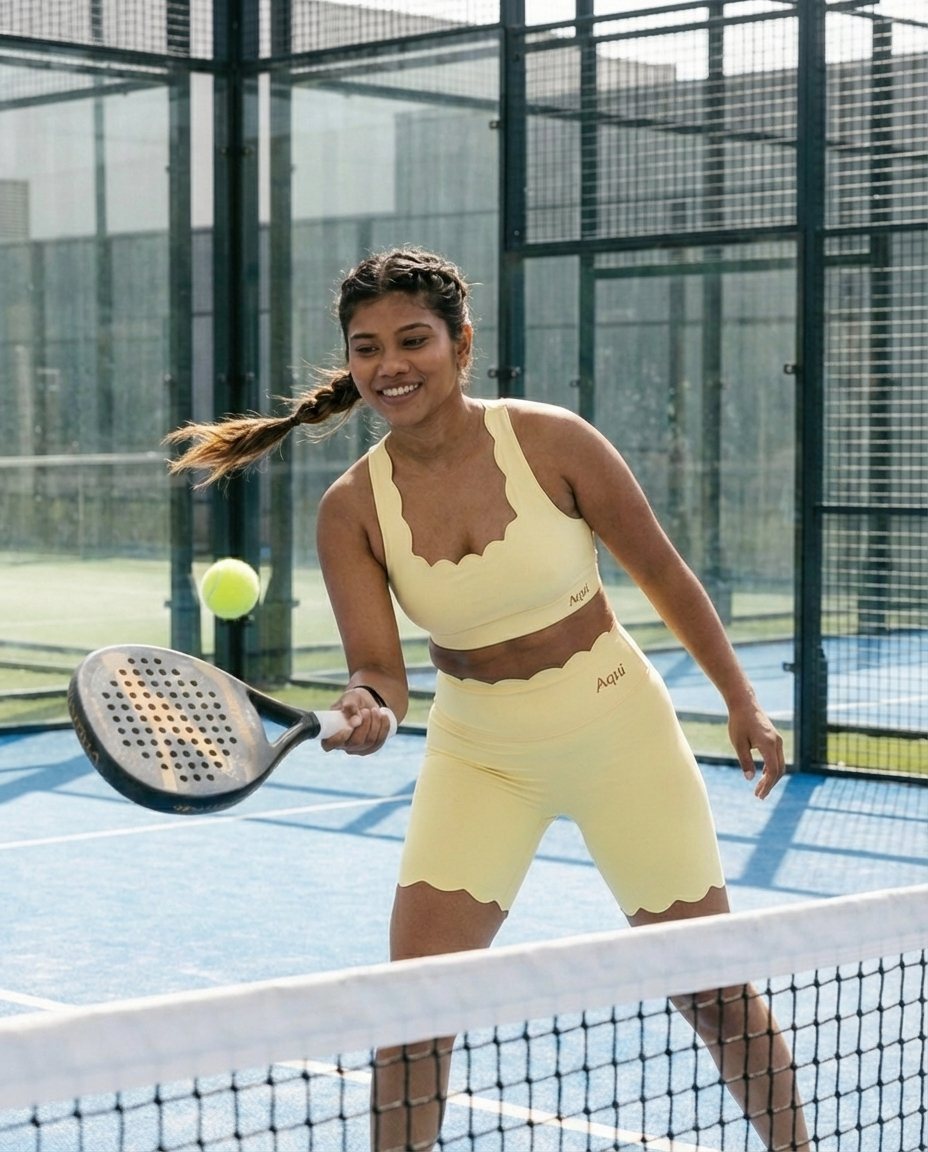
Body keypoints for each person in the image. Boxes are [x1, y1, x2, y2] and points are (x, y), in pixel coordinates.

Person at [168, 248, 810, 1152]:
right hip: (480, 753)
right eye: (367, 348)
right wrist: (367, 707)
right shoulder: (350, 510)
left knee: (711, 991)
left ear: (461, 345)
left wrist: (742, 702)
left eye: (413, 340)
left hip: (618, 728)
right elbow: (380, 671)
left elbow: (663, 573)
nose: (390, 365)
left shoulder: (554, 441)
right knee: (416, 1011)